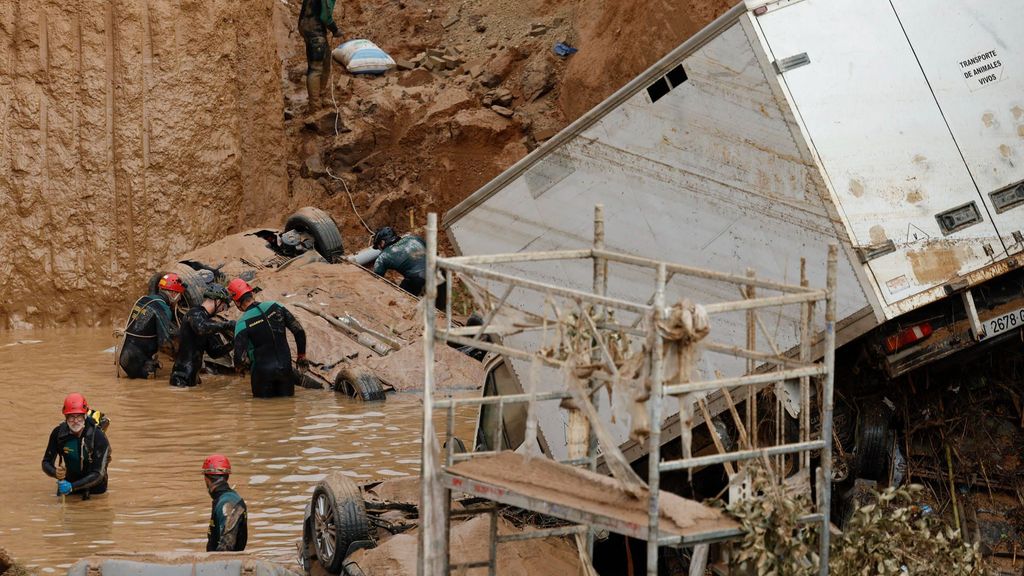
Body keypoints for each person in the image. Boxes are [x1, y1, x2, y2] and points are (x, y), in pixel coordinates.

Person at [228, 279, 308, 398]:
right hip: (285, 369)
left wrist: (241, 369)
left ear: (237, 302)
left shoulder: (242, 322)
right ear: (252, 293)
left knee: (262, 411)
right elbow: (299, 331)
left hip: (262, 374)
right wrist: (301, 356)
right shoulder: (276, 306)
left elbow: (239, 357)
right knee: (288, 408)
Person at [41, 393, 112, 499]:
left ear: (85, 416)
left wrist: (72, 487)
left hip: (96, 488)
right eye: (71, 417)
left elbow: (99, 474)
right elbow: (46, 462)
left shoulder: (98, 436)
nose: (75, 421)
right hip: (69, 482)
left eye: (79, 417)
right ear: (65, 417)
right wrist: (55, 472)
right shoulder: (58, 433)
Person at [118, 273, 183, 378]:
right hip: (137, 363)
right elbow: (165, 342)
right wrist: (180, 357)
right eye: (179, 295)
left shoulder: (145, 299)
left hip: (124, 356)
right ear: (172, 293)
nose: (179, 299)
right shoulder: (162, 308)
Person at [170, 284, 235, 388]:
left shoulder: (207, 323)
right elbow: (200, 328)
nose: (223, 310)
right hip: (180, 377)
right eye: (224, 306)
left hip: (192, 377)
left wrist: (233, 343)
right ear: (217, 301)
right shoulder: (194, 313)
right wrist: (227, 325)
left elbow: (214, 352)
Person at [371, 226, 447, 310]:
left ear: (382, 242)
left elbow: (376, 278)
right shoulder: (413, 238)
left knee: (401, 294)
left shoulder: (383, 256)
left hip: (419, 278)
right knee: (441, 309)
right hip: (440, 271)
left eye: (378, 246)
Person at [298, 0, 341, 113]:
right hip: (315, 30)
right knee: (316, 68)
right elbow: (325, 17)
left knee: (326, 62)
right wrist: (335, 30)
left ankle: (320, 96)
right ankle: (315, 106)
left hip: (307, 27)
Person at [202, 454, 248, 552]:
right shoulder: (226, 500)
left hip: (226, 564)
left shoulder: (228, 503)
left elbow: (227, 548)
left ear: (207, 479)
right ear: (227, 477)